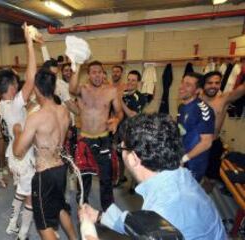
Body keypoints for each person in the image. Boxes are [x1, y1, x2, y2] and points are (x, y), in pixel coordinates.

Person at [79, 113, 226, 240]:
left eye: (121, 148)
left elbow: (155, 221)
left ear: (133, 159)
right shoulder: (181, 176)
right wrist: (99, 216)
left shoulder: (161, 210)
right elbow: (142, 223)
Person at [13, 68, 77, 240]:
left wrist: (17, 132)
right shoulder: (64, 111)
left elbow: (18, 152)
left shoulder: (36, 117)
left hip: (45, 173)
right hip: (60, 169)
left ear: (37, 89)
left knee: (43, 224)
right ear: (53, 87)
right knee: (60, 207)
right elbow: (51, 137)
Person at [0, 23, 38, 240]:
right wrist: (29, 42)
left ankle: (12, 225)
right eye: (16, 84)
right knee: (29, 196)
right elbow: (31, 78)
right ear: (12, 87)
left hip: (12, 156)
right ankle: (22, 234)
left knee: (21, 192)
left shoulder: (2, 105)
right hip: (22, 156)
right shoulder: (12, 104)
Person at [69, 61, 123, 211]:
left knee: (106, 179)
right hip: (85, 139)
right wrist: (77, 66)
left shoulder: (111, 91)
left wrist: (117, 120)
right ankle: (83, 209)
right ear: (88, 74)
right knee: (83, 179)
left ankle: (108, 212)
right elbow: (72, 88)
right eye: (94, 72)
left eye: (100, 72)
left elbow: (119, 111)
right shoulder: (82, 89)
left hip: (103, 139)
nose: (97, 75)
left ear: (103, 73)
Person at [201, 71, 245, 182]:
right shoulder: (195, 100)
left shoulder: (224, 100)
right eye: (209, 83)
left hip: (213, 145)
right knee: (192, 175)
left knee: (211, 179)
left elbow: (242, 89)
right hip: (196, 144)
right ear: (203, 84)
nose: (213, 86)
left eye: (217, 83)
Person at [178, 72, 215, 182]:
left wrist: (184, 158)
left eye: (188, 85)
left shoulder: (203, 110)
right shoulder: (182, 107)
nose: (182, 87)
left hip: (194, 163)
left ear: (198, 90)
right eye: (182, 82)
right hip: (182, 158)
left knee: (189, 195)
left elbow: (206, 142)